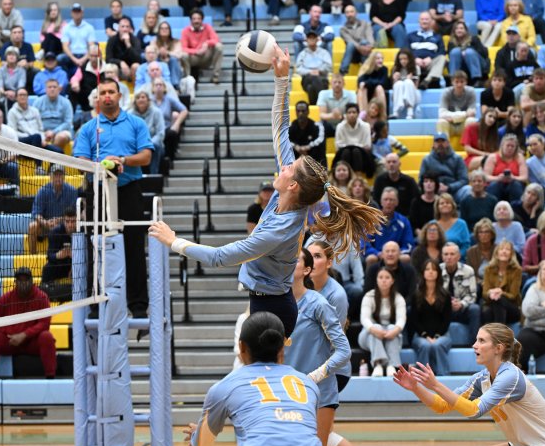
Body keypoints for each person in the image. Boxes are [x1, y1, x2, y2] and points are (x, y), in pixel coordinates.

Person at [149, 47, 383, 337]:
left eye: (288, 169)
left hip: (273, 307)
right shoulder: (287, 196)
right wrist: (282, 80)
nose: (282, 169)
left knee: (267, 375)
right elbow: (280, 130)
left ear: (293, 184)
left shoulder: (278, 231)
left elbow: (221, 257)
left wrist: (174, 242)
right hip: (267, 298)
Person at [393, 323, 545, 446]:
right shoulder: (481, 379)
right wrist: (416, 387)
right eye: (476, 339)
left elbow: (473, 411)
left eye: (481, 341)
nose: (474, 345)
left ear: (498, 348)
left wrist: (436, 385)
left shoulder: (510, 376)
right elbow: (442, 405)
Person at [184, 312, 322, 446]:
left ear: (242, 347)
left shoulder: (225, 387)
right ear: (282, 348)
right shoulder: (308, 385)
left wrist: (198, 434)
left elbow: (202, 445)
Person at [74, 77, 154, 318]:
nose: (107, 96)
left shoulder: (135, 123)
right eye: (103, 92)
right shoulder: (88, 128)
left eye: (111, 92)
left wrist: (123, 160)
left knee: (134, 248)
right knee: (95, 248)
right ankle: (96, 306)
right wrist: (101, 165)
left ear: (120, 96)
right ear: (97, 99)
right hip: (98, 192)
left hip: (129, 189)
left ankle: (138, 306)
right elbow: (80, 161)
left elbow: (146, 157)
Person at [284, 248, 351, 446]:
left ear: (306, 270)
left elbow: (344, 351)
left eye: (294, 260)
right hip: (286, 390)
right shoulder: (277, 303)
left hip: (319, 392)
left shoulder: (318, 303)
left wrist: (314, 376)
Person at [0, 267, 56, 379]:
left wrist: (24, 335)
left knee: (47, 337)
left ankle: (51, 377)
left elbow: (44, 323)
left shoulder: (42, 297)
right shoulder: (5, 298)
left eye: (26, 280)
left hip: (31, 341)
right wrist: (11, 334)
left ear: (32, 281)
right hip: (10, 340)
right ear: (15, 282)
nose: (23, 283)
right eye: (20, 280)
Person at [359, 266, 406, 377]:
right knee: (376, 327)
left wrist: (395, 331)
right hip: (368, 335)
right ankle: (378, 364)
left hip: (389, 335)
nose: (384, 280)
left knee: (391, 327)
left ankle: (391, 366)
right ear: (376, 280)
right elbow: (364, 318)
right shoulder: (369, 296)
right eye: (380, 277)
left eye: (387, 277)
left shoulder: (398, 298)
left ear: (392, 280)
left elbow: (401, 319)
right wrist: (374, 329)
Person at [410, 259, 453, 376]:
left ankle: (444, 375)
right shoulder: (416, 295)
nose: (430, 272)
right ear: (423, 273)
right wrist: (425, 336)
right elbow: (414, 319)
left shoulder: (445, 295)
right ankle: (422, 375)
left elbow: (446, 320)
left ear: (438, 273)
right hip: (420, 335)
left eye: (434, 269)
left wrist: (437, 336)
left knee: (438, 345)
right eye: (427, 269)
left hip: (443, 334)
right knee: (425, 345)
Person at [28, 166, 79, 255]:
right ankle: (33, 256)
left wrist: (59, 220)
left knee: (75, 224)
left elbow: (74, 213)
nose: (58, 177)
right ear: (50, 176)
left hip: (65, 225)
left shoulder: (72, 191)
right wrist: (45, 223)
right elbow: (36, 213)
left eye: (60, 175)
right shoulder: (42, 191)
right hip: (46, 226)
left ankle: (74, 253)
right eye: (56, 175)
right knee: (32, 226)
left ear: (64, 177)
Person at [364, 188, 415, 265]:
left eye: (391, 200)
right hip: (378, 255)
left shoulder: (403, 221)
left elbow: (409, 245)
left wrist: (396, 253)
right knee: (371, 258)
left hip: (397, 255)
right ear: (381, 202)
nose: (388, 202)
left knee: (406, 258)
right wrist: (378, 253)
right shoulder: (372, 220)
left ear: (397, 202)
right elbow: (364, 244)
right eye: (386, 199)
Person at [482, 240, 522, 325]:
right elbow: (485, 293)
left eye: (507, 249)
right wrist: (490, 293)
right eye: (501, 249)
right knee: (488, 310)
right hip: (493, 305)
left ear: (511, 254)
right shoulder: (488, 269)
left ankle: (498, 334)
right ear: (496, 253)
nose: (504, 251)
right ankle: (494, 334)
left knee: (499, 299)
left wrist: (501, 293)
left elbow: (513, 295)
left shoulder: (517, 270)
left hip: (512, 307)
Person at [419, 133, 469, 199]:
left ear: (448, 143)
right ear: (433, 145)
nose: (440, 144)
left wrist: (449, 187)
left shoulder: (457, 159)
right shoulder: (427, 160)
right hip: (433, 192)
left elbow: (464, 180)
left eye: (442, 141)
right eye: (437, 142)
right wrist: (435, 186)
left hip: (454, 191)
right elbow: (421, 180)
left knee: (467, 190)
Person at [128, 90, 166, 174]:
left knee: (156, 147)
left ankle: (154, 176)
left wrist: (148, 145)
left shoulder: (157, 112)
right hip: (136, 146)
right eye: (138, 98)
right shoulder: (129, 115)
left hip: (154, 145)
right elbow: (128, 134)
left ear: (148, 100)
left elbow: (160, 133)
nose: (141, 99)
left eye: (143, 97)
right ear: (135, 101)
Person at [181, 9, 223, 84]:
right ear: (191, 20)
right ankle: (188, 80)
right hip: (193, 58)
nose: (196, 21)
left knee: (219, 46)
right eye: (194, 19)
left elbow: (216, 39)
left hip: (206, 57)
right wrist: (196, 51)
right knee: (183, 55)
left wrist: (207, 43)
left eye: (198, 18)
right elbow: (184, 48)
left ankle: (215, 77)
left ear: (202, 20)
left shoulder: (208, 27)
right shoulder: (185, 31)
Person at [483, 133, 528, 202]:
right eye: (507, 145)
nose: (510, 148)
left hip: (514, 184)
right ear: (502, 146)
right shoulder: (492, 157)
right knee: (495, 185)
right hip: (497, 183)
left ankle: (516, 210)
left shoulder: (519, 157)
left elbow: (524, 177)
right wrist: (498, 178)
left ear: (516, 148)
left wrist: (513, 177)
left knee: (515, 185)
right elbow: (486, 177)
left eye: (512, 146)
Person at [408, 11, 446, 89]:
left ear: (431, 21)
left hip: (430, 63)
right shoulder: (410, 36)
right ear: (419, 21)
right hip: (415, 63)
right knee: (408, 61)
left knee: (442, 58)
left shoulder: (438, 37)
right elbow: (405, 51)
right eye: (422, 19)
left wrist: (430, 58)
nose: (424, 21)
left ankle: (427, 81)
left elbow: (442, 52)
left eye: (427, 19)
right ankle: (416, 84)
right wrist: (415, 59)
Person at [33, 79, 74, 152]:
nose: (52, 89)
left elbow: (68, 122)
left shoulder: (66, 102)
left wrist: (53, 132)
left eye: (54, 87)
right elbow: (33, 120)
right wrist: (43, 133)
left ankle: (53, 161)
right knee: (35, 137)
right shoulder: (38, 102)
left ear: (59, 89)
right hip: (42, 131)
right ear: (45, 89)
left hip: (61, 131)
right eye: (49, 87)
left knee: (62, 137)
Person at [334, 103, 373, 177]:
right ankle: (345, 177)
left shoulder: (366, 126)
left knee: (356, 151)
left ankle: (357, 177)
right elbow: (338, 147)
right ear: (345, 114)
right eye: (349, 112)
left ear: (358, 114)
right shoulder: (340, 127)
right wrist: (354, 146)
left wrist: (353, 146)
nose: (351, 115)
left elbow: (367, 146)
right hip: (345, 154)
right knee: (346, 152)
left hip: (362, 155)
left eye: (354, 112)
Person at [436, 71, 477, 142]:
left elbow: (472, 113)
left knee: (471, 121)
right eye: (457, 82)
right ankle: (444, 150)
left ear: (466, 82)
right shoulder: (446, 92)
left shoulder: (471, 91)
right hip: (450, 126)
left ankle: (469, 148)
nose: (459, 84)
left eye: (462, 82)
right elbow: (441, 114)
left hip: (463, 126)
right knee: (441, 122)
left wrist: (452, 117)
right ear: (452, 82)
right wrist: (465, 114)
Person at [41, 207, 76, 285]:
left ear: (77, 221)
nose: (70, 225)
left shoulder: (82, 231)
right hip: (60, 264)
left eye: (73, 221)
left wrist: (75, 258)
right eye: (67, 221)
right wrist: (58, 255)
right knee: (47, 268)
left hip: (77, 264)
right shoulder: (55, 232)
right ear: (63, 221)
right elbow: (49, 256)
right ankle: (47, 293)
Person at [59, 3, 95, 79]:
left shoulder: (89, 28)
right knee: (60, 58)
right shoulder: (66, 28)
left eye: (78, 11)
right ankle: (66, 82)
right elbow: (65, 46)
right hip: (71, 55)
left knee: (95, 57)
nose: (76, 13)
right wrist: (74, 59)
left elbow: (91, 46)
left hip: (85, 55)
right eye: (74, 12)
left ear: (82, 13)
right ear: (71, 13)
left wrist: (83, 59)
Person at [447, 22, 488, 87]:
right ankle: (453, 79)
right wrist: (461, 53)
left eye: (461, 28)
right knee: (455, 52)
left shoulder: (474, 39)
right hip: (461, 65)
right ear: (454, 31)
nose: (459, 30)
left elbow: (483, 53)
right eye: (457, 29)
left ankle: (476, 80)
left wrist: (466, 51)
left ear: (466, 30)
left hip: (478, 64)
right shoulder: (451, 42)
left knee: (469, 52)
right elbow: (450, 57)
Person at [297, 31, 332, 105]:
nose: (311, 40)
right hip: (307, 78)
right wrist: (309, 72)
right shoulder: (302, 54)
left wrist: (319, 71)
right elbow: (298, 69)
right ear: (306, 40)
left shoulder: (324, 52)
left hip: (321, 77)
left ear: (317, 39)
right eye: (310, 38)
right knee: (312, 79)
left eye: (313, 38)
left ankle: (314, 105)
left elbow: (329, 66)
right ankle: (322, 102)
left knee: (311, 88)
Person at [338, 5, 374, 75]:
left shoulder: (365, 24)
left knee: (364, 42)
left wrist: (370, 46)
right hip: (353, 55)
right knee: (351, 44)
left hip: (366, 51)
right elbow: (351, 41)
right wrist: (361, 47)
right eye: (347, 12)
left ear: (356, 13)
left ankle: (366, 71)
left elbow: (370, 37)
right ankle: (343, 71)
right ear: (345, 15)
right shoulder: (343, 29)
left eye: (351, 12)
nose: (349, 14)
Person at [317, 73, 356, 138]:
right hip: (328, 124)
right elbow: (322, 114)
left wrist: (340, 117)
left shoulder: (351, 94)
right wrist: (333, 115)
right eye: (335, 82)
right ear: (331, 84)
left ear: (344, 84)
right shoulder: (323, 94)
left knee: (354, 123)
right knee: (319, 126)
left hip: (345, 123)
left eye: (339, 82)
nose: (337, 84)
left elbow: (353, 113)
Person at [289, 101, 326, 166]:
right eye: (298, 111)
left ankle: (320, 172)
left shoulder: (316, 126)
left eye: (303, 111)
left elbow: (320, 139)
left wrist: (308, 147)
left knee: (319, 148)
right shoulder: (290, 126)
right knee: (288, 149)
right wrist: (295, 146)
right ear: (295, 112)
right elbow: (286, 140)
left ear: (308, 112)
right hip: (296, 153)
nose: (300, 113)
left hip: (312, 153)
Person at [106, 17, 142, 83]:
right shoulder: (112, 40)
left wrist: (128, 44)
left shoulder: (135, 40)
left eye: (127, 27)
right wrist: (120, 62)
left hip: (131, 70)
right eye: (122, 26)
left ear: (130, 29)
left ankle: (136, 90)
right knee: (110, 67)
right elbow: (108, 59)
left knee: (136, 66)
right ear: (118, 28)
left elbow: (138, 60)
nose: (125, 29)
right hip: (118, 69)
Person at [389, 48, 420, 119]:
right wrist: (395, 80)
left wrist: (409, 79)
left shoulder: (416, 68)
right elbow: (394, 88)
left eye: (405, 59)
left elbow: (416, 87)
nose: (403, 61)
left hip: (412, 93)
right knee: (398, 84)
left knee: (408, 82)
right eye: (401, 59)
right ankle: (396, 111)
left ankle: (410, 109)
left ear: (409, 59)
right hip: (399, 93)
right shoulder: (395, 68)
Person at [466, 218, 496, 283]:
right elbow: (469, 273)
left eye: (486, 232)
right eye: (481, 232)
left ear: (492, 234)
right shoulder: (471, 252)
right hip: (477, 284)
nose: (484, 235)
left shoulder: (498, 249)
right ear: (477, 235)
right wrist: (480, 282)